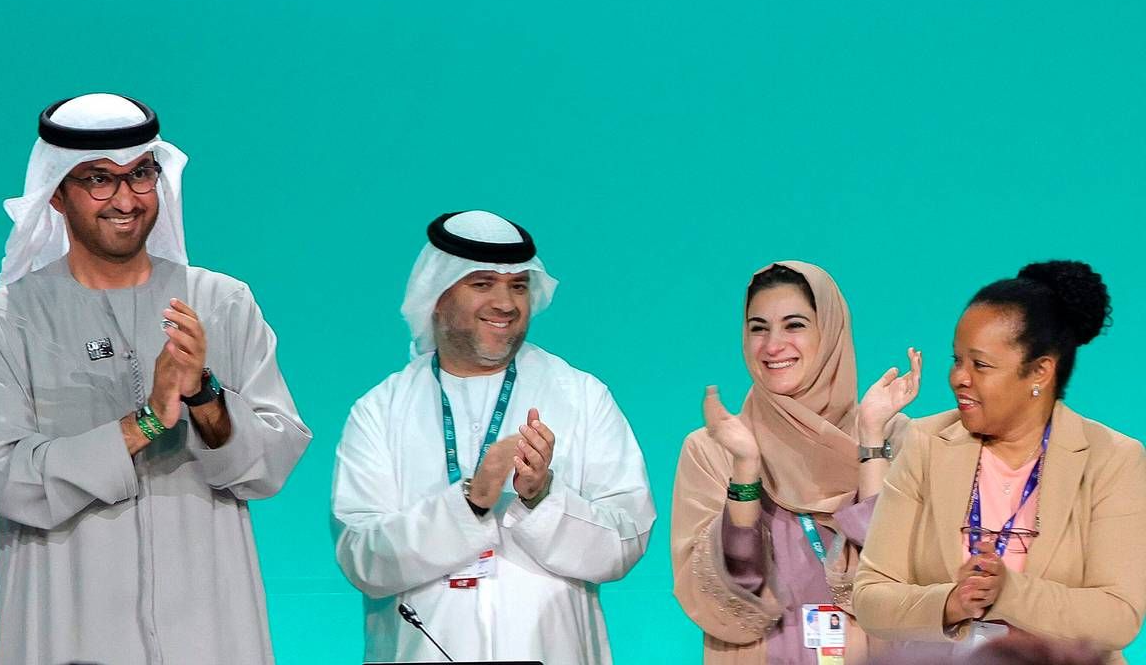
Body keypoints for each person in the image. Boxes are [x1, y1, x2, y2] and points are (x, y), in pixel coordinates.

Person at [0, 93, 311, 665]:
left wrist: (204, 395)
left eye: (141, 175)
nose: (125, 199)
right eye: (99, 180)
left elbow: (273, 460)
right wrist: (144, 422)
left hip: (209, 615)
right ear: (57, 193)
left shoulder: (220, 302)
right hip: (67, 617)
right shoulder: (7, 320)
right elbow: (3, 477)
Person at [331, 210, 654, 664]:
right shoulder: (380, 411)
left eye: (519, 286)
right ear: (437, 297)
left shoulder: (582, 396)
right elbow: (361, 557)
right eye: (482, 284)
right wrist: (470, 502)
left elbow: (626, 542)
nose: (505, 303)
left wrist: (542, 496)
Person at [853, 260, 1146, 662]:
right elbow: (871, 597)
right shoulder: (927, 444)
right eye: (957, 360)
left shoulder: (1111, 460)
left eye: (981, 365)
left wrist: (1009, 594)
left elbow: (1118, 616)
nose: (959, 377)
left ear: (1040, 371)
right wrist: (952, 602)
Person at [671, 261, 923, 663]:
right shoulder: (713, 448)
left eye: (794, 325)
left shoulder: (895, 436)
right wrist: (747, 470)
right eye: (758, 328)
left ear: (830, 333)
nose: (773, 346)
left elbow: (894, 578)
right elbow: (728, 594)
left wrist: (871, 441)